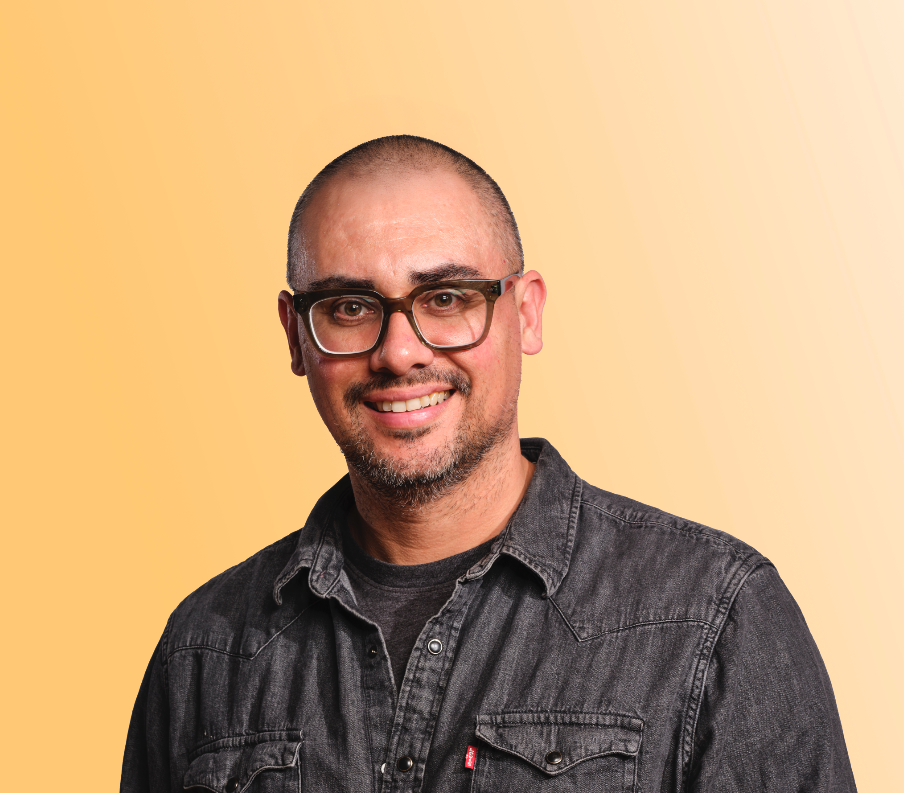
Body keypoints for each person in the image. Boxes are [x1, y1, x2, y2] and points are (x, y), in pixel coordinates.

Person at [121, 135, 855, 792]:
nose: (399, 351)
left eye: (445, 297)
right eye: (348, 307)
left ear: (525, 311)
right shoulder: (204, 648)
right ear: (295, 335)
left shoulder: (710, 615)